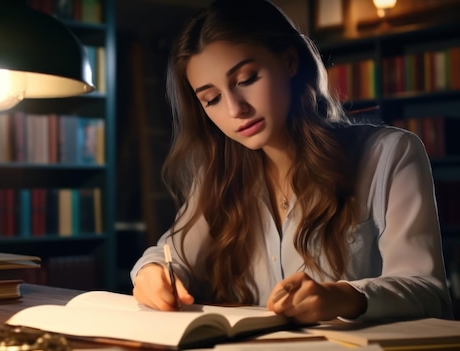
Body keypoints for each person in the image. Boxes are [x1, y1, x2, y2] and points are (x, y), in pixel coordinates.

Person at [130, 0, 453, 324]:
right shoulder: (218, 177)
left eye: (246, 79)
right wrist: (152, 271)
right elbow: (170, 255)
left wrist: (343, 297)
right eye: (211, 99)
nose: (234, 109)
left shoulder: (389, 155)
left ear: (289, 61)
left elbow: (429, 292)